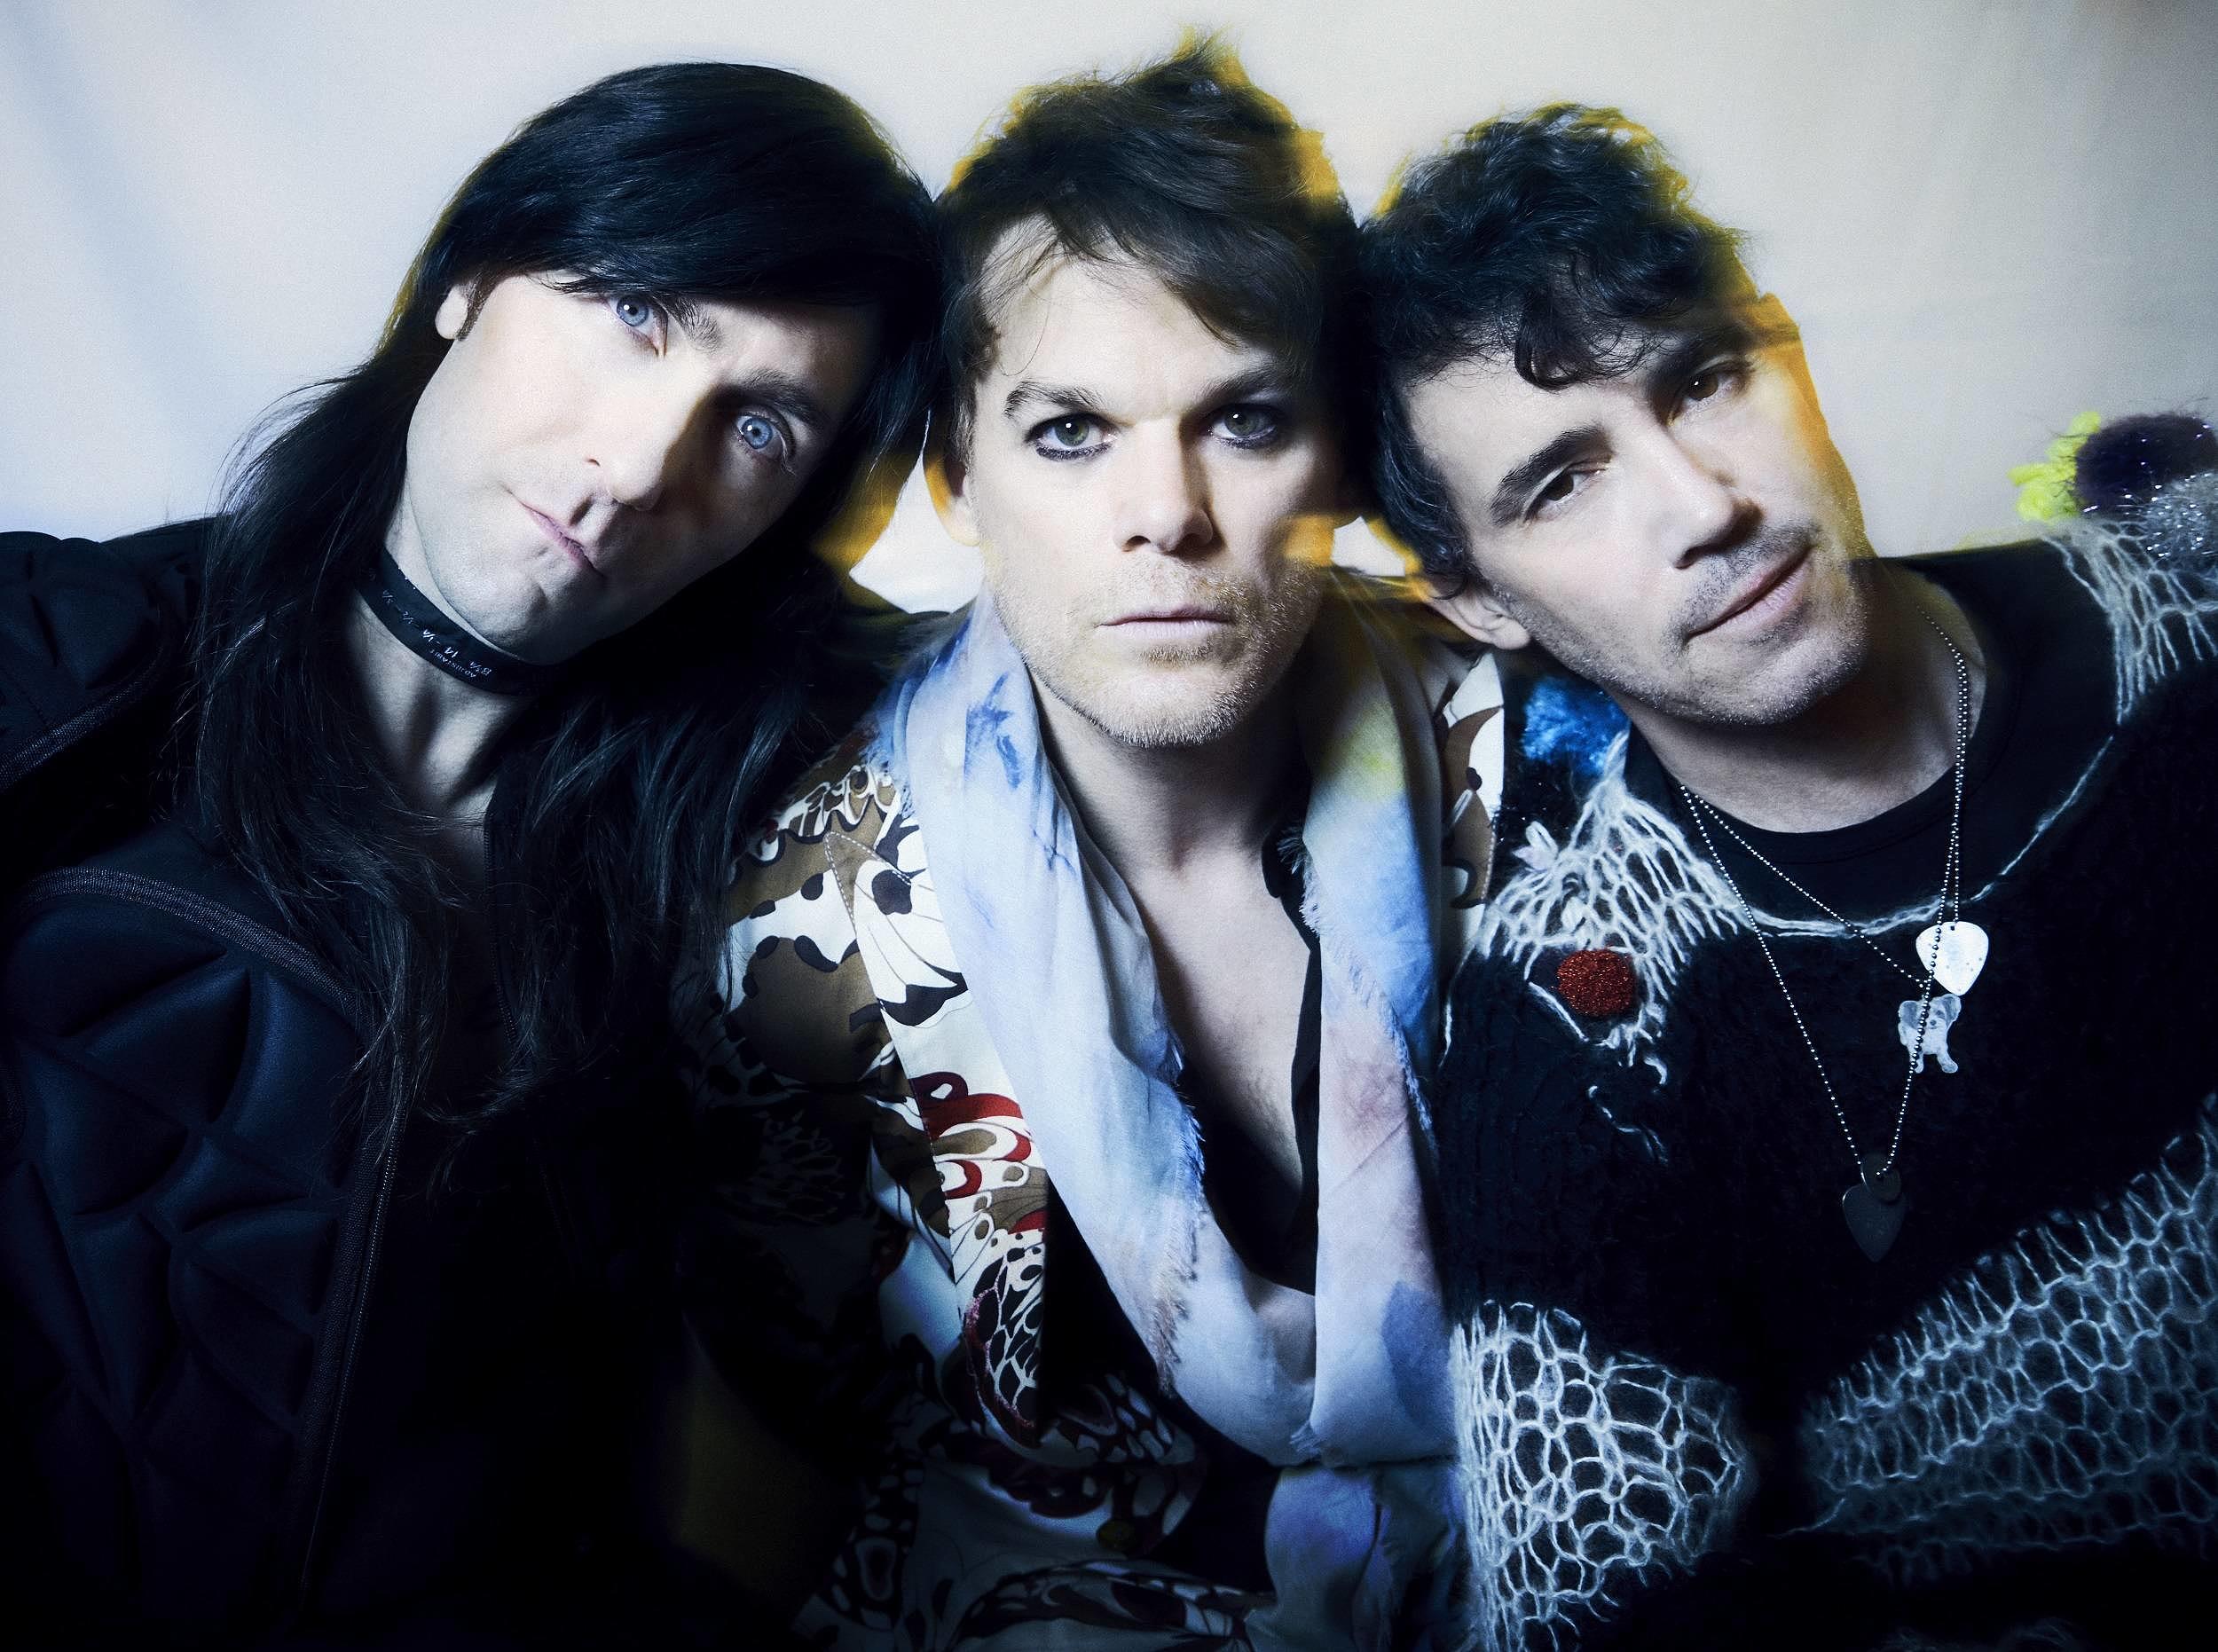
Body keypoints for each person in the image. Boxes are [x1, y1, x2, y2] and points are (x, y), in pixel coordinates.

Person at [0, 62, 935, 1648]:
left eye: (760, 426)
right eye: (636, 312)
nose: (638, 466)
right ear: (469, 278)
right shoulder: (54, 664)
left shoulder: (773, 813)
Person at [671, 42, 1503, 1650]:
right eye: (1070, 431)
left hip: (1558, 1553)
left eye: (1244, 418)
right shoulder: (806, 940)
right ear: (956, 472)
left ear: (1340, 454)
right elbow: (789, 1411)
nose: (1166, 514)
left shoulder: (1527, 759)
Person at [1362, 104, 2218, 1649]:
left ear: (1791, 349)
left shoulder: (2190, 613)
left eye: (1706, 378)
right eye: (1563, 483)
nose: (1707, 507)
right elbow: (1602, 1616)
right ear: (1477, 600)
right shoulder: (1581, 1019)